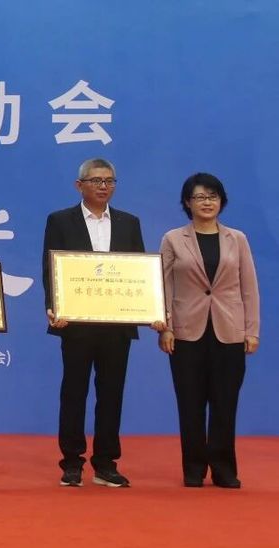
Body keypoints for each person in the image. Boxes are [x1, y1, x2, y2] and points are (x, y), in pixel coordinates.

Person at [42, 158, 150, 488]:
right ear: (80, 185)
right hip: (76, 322)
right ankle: (72, 463)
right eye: (96, 180)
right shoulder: (61, 220)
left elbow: (140, 272)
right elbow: (50, 267)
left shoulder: (129, 222)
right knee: (73, 392)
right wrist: (54, 307)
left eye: (109, 181)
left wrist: (147, 309)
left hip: (117, 323)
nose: (103, 186)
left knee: (111, 393)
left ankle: (106, 463)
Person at [158, 173, 260, 488]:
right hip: (186, 332)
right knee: (190, 403)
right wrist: (165, 327)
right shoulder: (173, 239)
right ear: (187, 202)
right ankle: (193, 469)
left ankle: (224, 469)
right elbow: (163, 285)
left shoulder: (237, 239)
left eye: (212, 196)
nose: (207, 202)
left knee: (225, 403)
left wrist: (251, 330)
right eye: (200, 197)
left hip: (229, 330)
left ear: (221, 201)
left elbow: (249, 287)